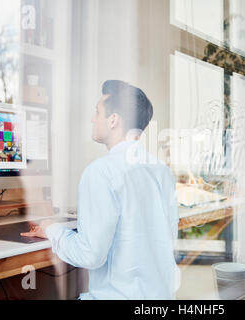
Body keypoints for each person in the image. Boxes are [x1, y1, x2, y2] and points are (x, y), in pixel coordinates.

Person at [21, 80, 180, 300]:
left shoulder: (100, 172)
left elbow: (90, 255)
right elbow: (168, 236)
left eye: (97, 112)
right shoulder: (161, 170)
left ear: (114, 120)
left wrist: (51, 229)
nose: (93, 118)